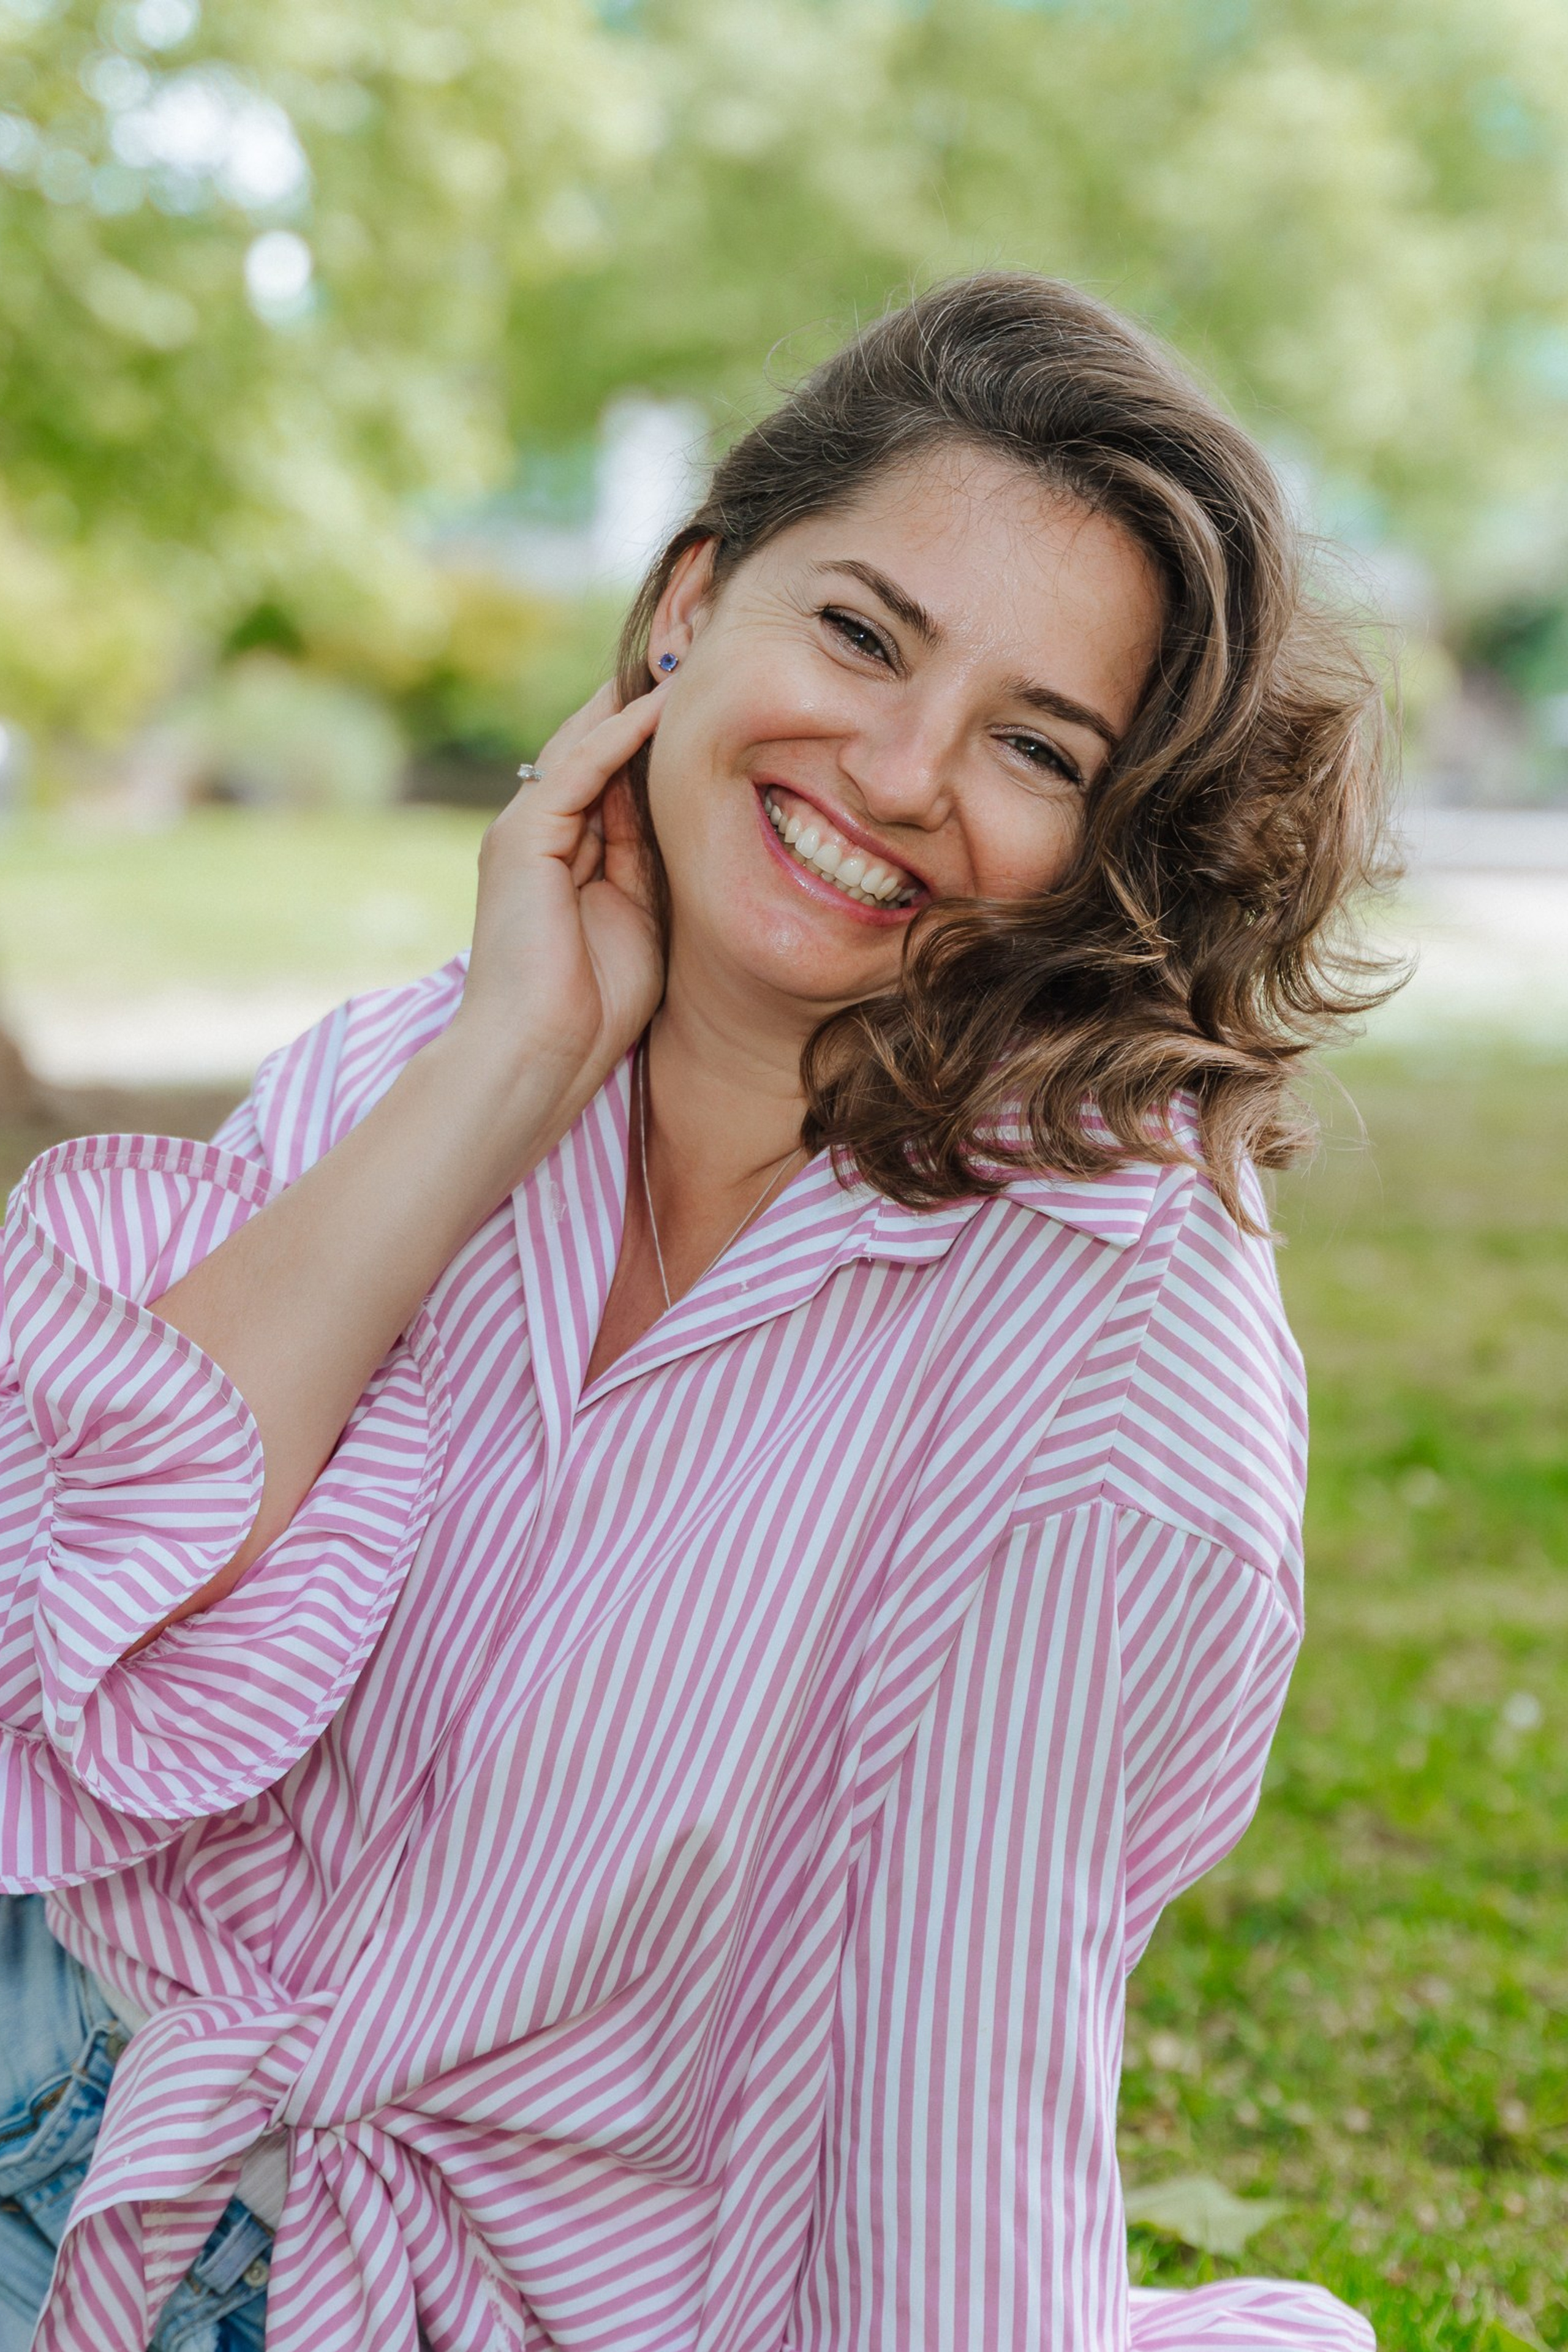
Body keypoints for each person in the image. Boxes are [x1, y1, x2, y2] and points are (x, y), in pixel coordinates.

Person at [0, 274, 1392, 2352]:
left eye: (1034, 744)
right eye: (858, 634)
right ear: (691, 604)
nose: (906, 773)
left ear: (1111, 847)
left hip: (377, 2298)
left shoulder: (1111, 1353)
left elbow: (956, 2116)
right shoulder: (409, 1062)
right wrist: (497, 1078)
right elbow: (59, 1645)